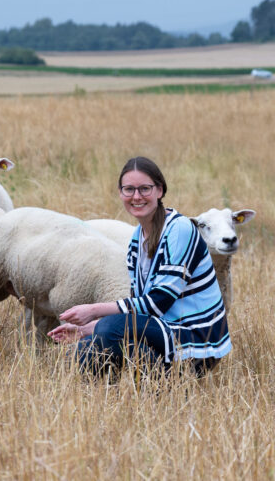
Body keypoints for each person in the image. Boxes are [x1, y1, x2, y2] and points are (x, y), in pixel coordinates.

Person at [47, 156, 231, 376]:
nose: (136, 196)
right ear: (120, 193)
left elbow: (157, 303)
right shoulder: (136, 240)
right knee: (84, 349)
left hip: (197, 342)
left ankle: (165, 383)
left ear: (160, 190)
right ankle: (132, 398)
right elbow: (139, 308)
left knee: (108, 329)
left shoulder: (179, 229)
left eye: (145, 189)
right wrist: (85, 330)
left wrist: (93, 312)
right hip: (163, 332)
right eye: (129, 189)